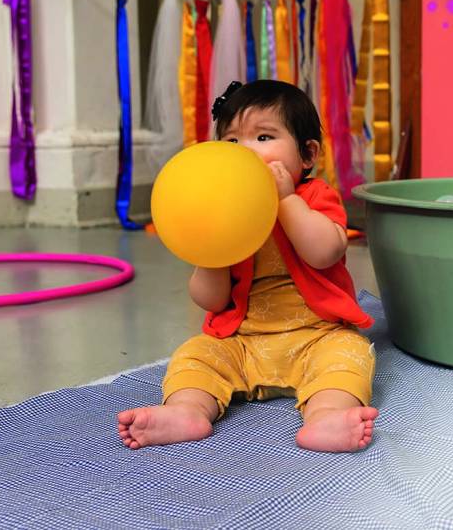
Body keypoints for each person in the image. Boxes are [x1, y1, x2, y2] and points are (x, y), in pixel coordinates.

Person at [118, 80, 378, 453]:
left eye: (264, 137)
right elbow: (210, 300)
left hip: (317, 336)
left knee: (351, 354)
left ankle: (327, 416)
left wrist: (286, 199)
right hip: (242, 343)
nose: (246, 152)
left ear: (307, 155)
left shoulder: (314, 196)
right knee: (196, 354)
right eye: (232, 142)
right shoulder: (225, 212)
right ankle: (187, 410)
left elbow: (324, 253)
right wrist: (211, 253)